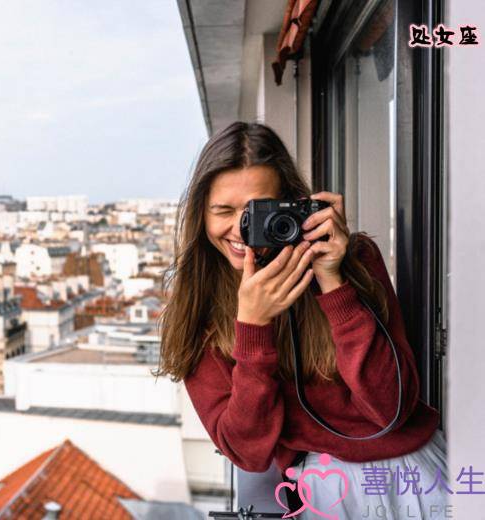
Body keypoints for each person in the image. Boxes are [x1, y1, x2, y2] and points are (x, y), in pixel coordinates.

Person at [156, 122, 449, 519]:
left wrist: (333, 279)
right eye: (223, 211)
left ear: (292, 205)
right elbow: (246, 451)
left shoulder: (354, 259)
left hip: (416, 474)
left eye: (258, 210)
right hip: (325, 491)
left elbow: (391, 408)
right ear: (200, 214)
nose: (242, 228)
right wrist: (253, 330)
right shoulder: (200, 305)